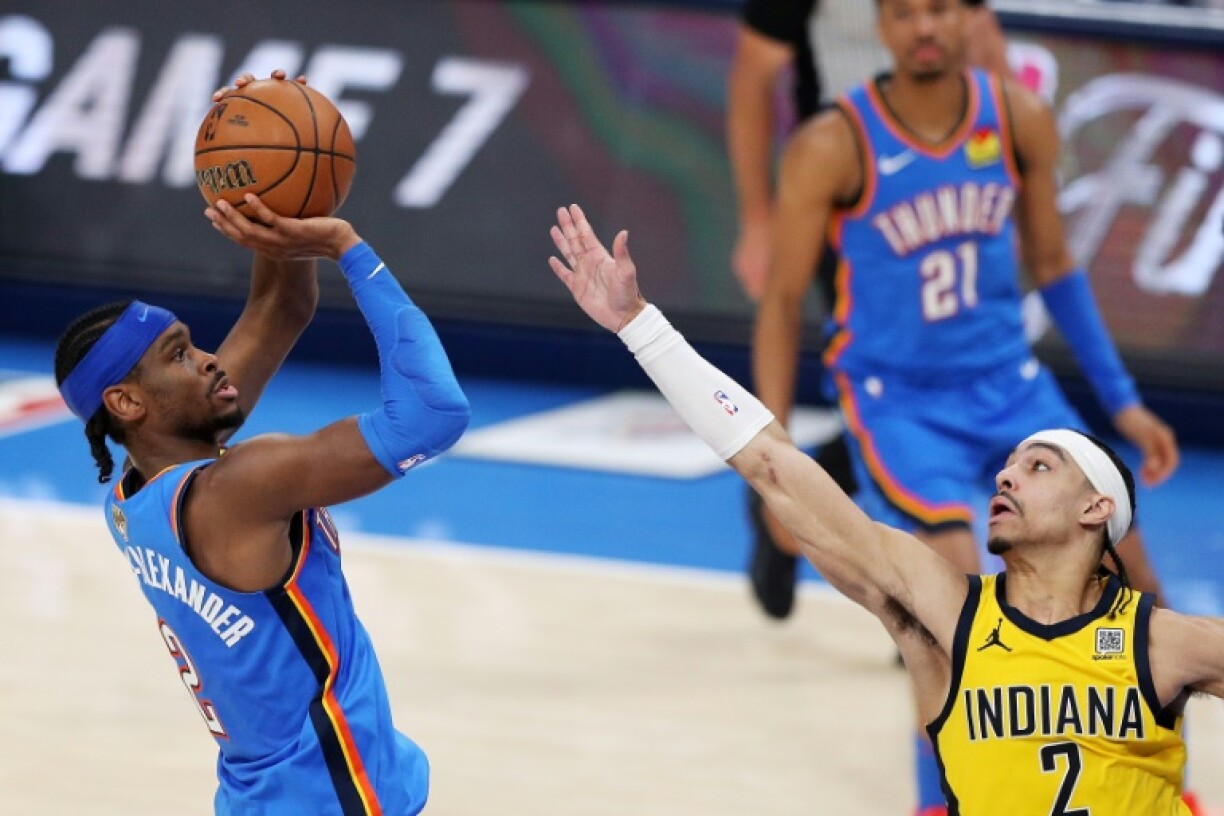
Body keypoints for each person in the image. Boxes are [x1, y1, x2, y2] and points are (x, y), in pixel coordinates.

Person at [547, 201, 1224, 815]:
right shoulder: (947, 614)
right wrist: (642, 327)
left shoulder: (1162, 642)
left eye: (1039, 466)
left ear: (1094, 508)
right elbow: (774, 466)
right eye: (1009, 464)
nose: (1007, 476)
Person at [53, 72, 469, 816]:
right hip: (334, 799)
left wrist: (271, 207)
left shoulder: (136, 495)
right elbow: (431, 415)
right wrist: (348, 247)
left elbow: (280, 306)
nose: (210, 358)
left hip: (264, 796)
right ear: (127, 400)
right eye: (181, 355)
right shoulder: (239, 488)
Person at [726, 0, 1010, 620]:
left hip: (944, 190)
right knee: (891, 381)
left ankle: (921, 571)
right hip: (851, 198)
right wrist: (756, 218)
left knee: (927, 385)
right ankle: (794, 504)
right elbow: (753, 77)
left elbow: (984, 42)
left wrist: (1002, 169)